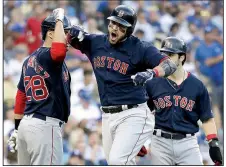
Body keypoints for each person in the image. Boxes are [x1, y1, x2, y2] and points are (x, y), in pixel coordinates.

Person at [67, 5, 177, 165]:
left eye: (121, 26)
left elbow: (170, 65)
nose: (115, 28)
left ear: (129, 29)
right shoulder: (96, 42)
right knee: (116, 162)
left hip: (133, 113)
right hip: (107, 116)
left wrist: (151, 73)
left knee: (118, 161)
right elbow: (69, 38)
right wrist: (72, 33)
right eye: (113, 23)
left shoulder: (140, 48)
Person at [7, 8, 72, 165]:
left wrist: (17, 128)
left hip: (26, 126)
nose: (68, 38)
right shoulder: (50, 56)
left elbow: (21, 97)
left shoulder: (30, 59)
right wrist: (59, 18)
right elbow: (58, 52)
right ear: (51, 33)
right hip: (45, 126)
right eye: (65, 32)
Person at [145, 37, 222, 165]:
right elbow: (142, 114)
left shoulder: (197, 85)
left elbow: (207, 118)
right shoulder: (152, 83)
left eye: (170, 55)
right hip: (160, 142)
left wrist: (213, 143)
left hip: (188, 143)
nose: (165, 59)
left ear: (182, 57)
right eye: (163, 55)